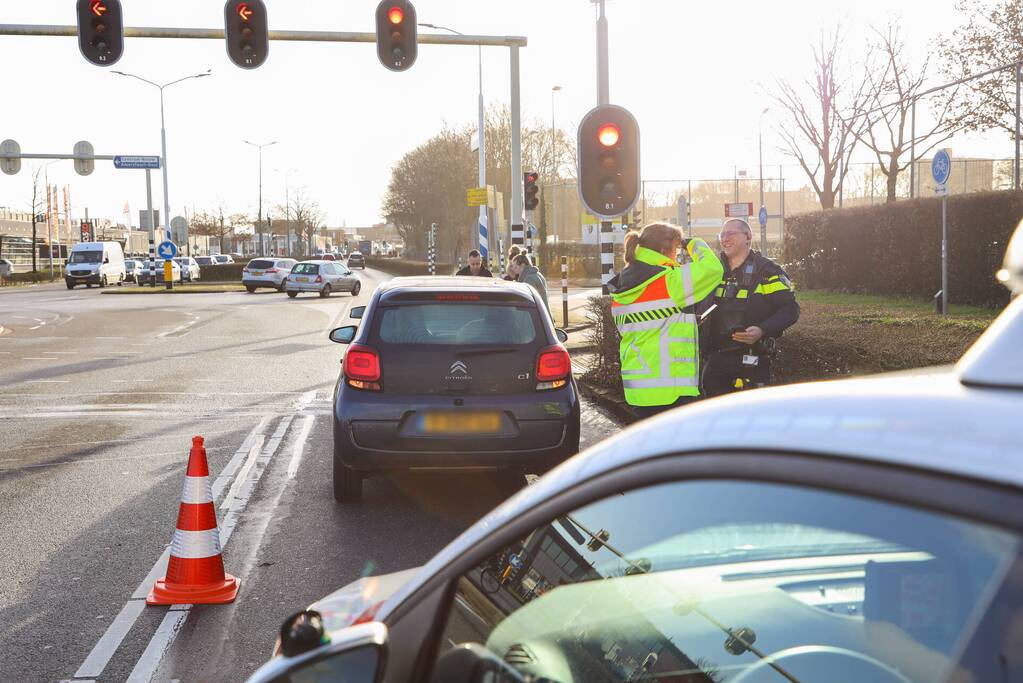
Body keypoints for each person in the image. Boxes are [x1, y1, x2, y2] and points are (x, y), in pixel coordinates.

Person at [606, 222, 723, 418]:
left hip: (638, 391)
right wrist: (693, 244)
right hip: (671, 391)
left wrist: (684, 321)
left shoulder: (622, 286)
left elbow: (647, 326)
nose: (678, 254)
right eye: (677, 249)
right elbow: (713, 269)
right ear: (664, 249)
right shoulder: (669, 281)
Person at [703, 218, 799, 397]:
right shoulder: (714, 271)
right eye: (722, 234)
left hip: (752, 359)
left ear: (748, 237)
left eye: (731, 233)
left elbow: (790, 310)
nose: (725, 238)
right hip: (716, 360)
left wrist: (762, 330)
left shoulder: (768, 271)